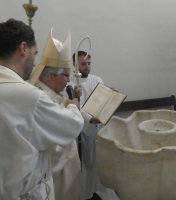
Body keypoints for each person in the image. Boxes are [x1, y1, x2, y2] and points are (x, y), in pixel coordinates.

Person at [0, 19, 83, 200]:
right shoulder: (30, 96)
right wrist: (72, 107)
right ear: (23, 48)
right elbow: (72, 126)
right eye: (34, 53)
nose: (34, 61)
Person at [31, 29, 82, 200]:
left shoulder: (53, 91)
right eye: (66, 76)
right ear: (52, 75)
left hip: (67, 169)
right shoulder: (41, 98)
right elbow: (58, 138)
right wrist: (71, 108)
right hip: (55, 173)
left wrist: (67, 103)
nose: (69, 80)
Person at [71, 50, 119, 200]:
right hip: (82, 130)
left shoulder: (97, 79)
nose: (87, 67)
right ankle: (85, 194)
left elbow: (103, 101)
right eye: (83, 64)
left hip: (99, 129)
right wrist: (89, 120)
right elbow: (75, 107)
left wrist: (112, 96)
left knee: (100, 162)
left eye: (89, 63)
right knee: (87, 164)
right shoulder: (72, 83)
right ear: (75, 65)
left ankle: (97, 191)